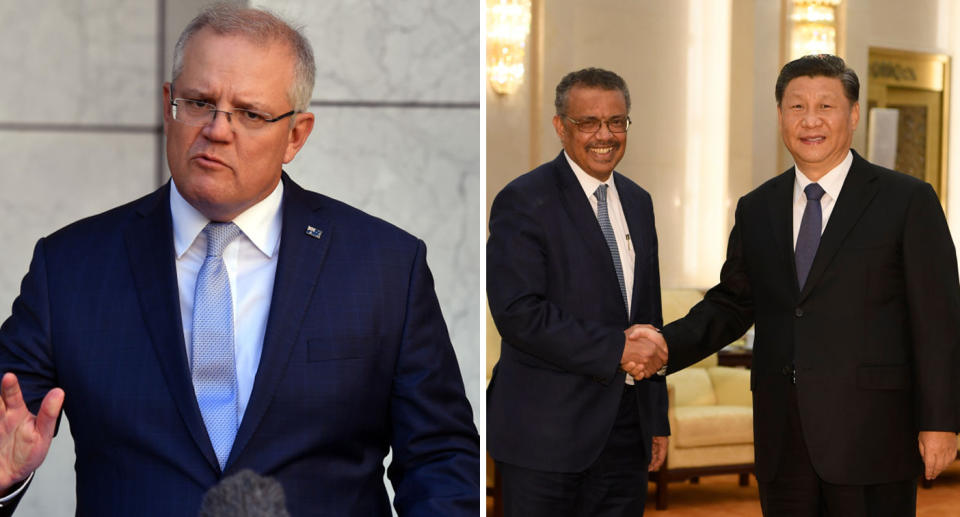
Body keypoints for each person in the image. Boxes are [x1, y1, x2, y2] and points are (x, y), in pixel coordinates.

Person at [0, 4, 479, 516]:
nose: (217, 129)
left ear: (296, 134)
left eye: (250, 113)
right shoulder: (71, 266)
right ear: (169, 106)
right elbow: (8, 430)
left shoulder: (384, 266)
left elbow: (441, 459)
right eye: (200, 102)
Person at [631, 54, 960, 516]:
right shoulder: (757, 207)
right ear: (780, 115)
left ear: (853, 114)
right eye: (796, 107)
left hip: (873, 439)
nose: (810, 120)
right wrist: (665, 345)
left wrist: (941, 422)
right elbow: (731, 303)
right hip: (782, 440)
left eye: (825, 106)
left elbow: (939, 321)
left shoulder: (907, 201)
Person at [486, 67, 669, 517]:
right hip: (546, 437)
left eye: (616, 122)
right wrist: (616, 349)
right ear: (561, 127)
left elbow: (650, 315)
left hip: (626, 434)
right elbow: (519, 313)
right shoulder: (524, 200)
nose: (604, 135)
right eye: (589, 123)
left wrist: (656, 418)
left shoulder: (639, 202)